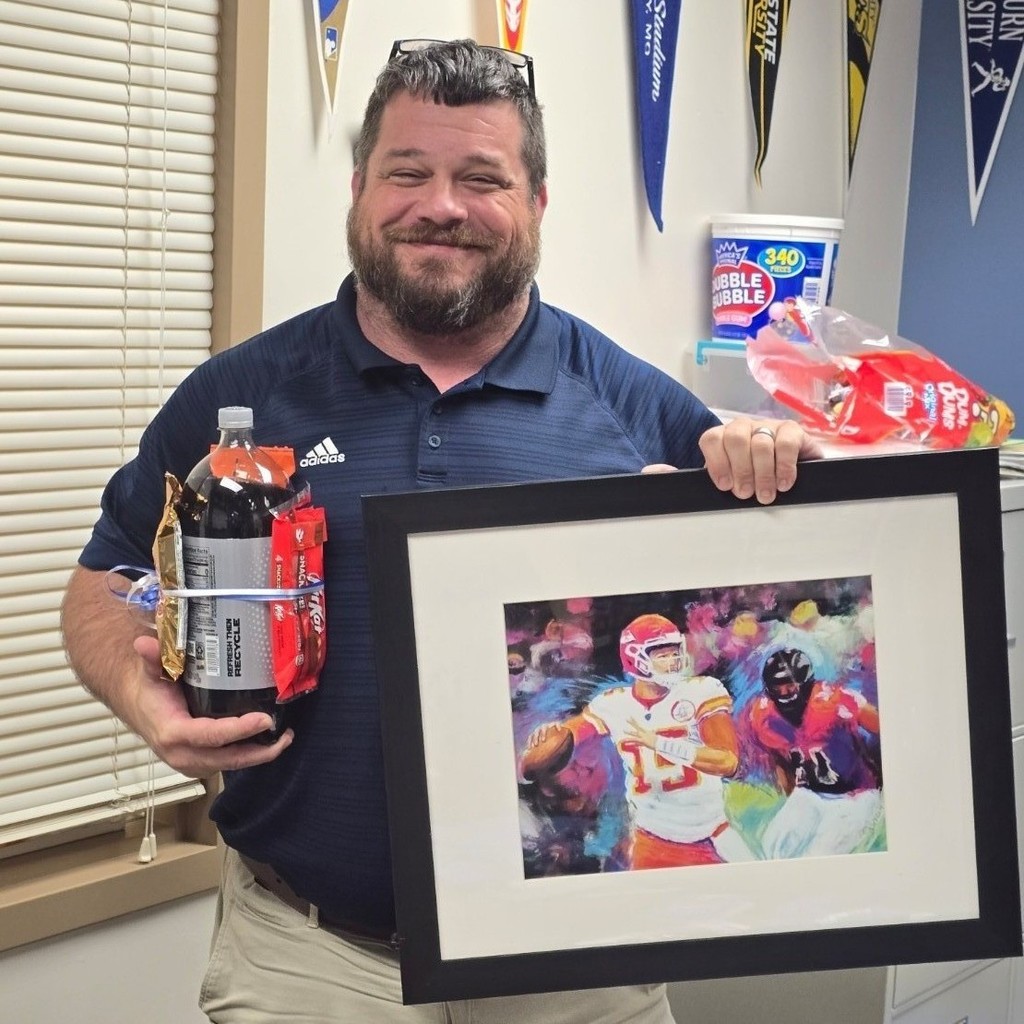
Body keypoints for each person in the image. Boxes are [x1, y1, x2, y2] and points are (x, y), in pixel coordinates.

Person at [60, 38, 819, 1024]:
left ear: (536, 203)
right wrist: (145, 699)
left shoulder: (633, 406)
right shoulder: (240, 395)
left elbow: (767, 599)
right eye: (406, 172)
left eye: (481, 178)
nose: (441, 205)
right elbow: (107, 585)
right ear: (358, 191)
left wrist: (768, 466)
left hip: (576, 957)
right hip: (311, 954)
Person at [521, 614, 754, 870]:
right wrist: (550, 733)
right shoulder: (614, 704)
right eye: (662, 655)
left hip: (710, 834)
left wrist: (660, 743)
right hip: (651, 838)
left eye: (675, 652)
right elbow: (571, 734)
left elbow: (727, 762)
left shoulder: (700, 692)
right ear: (635, 656)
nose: (673, 661)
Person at [747, 647, 883, 859]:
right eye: (778, 689)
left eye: (790, 686)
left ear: (806, 684)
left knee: (818, 855)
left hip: (855, 795)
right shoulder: (764, 714)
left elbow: (884, 728)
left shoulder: (836, 700)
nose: (784, 694)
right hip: (809, 792)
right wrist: (795, 800)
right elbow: (780, 760)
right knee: (772, 847)